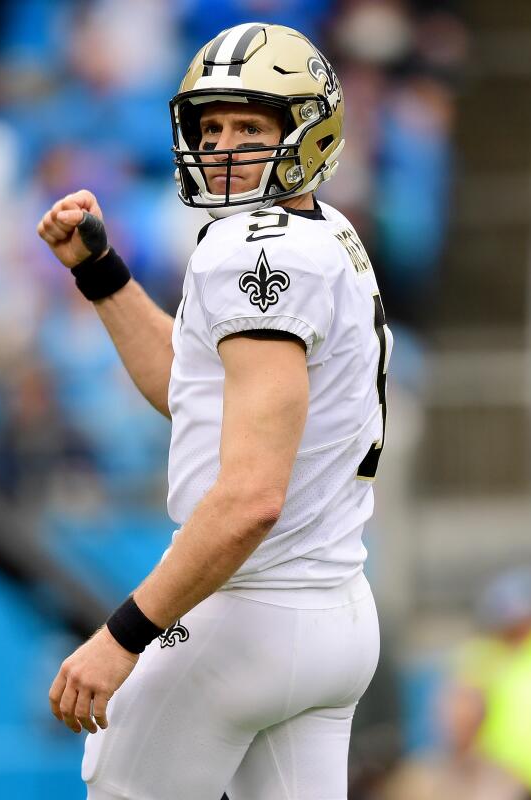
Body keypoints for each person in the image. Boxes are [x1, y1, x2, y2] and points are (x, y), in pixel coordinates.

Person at [38, 22, 388, 799]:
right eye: (213, 125)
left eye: (250, 125)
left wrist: (124, 634)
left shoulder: (251, 251)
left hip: (247, 615)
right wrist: (102, 274)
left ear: (308, 128)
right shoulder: (325, 234)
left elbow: (251, 498)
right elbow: (194, 391)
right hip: (334, 615)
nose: (224, 145)